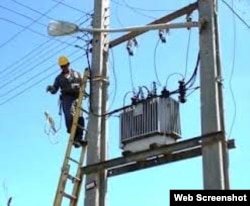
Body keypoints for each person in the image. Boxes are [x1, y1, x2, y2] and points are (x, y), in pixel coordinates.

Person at [46, 55, 85, 148]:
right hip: (67, 97)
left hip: (77, 97)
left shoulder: (77, 74)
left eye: (65, 65)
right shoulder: (59, 78)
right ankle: (73, 135)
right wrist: (51, 88)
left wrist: (79, 86)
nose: (64, 68)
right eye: (62, 66)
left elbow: (83, 83)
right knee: (70, 115)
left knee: (79, 117)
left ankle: (79, 138)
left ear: (68, 64)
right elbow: (55, 89)